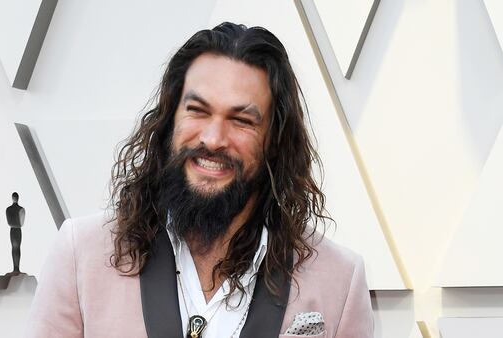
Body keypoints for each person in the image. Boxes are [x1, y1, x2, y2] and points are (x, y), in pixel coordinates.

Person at [26, 22, 373, 338]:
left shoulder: (340, 279)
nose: (213, 138)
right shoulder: (81, 254)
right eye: (198, 110)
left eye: (242, 120)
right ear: (169, 120)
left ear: (275, 140)